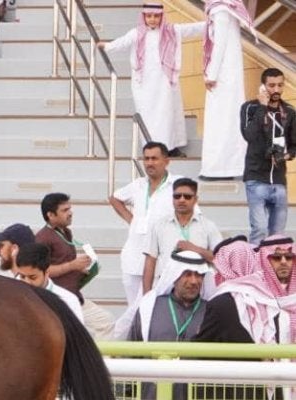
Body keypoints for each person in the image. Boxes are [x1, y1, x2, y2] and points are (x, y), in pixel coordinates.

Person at [98, 3, 204, 156]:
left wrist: (212, 23)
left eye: (156, 16)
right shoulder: (136, 33)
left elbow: (191, 29)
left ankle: (169, 148)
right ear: (144, 17)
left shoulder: (171, 31)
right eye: (149, 16)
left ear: (161, 16)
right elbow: (122, 42)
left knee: (167, 115)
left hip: (165, 83)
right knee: (148, 116)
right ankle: (151, 147)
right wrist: (107, 46)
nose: (152, 19)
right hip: (144, 84)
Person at [128, 250, 210, 400]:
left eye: (198, 275)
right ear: (174, 275)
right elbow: (131, 355)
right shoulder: (149, 308)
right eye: (187, 274)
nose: (194, 281)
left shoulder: (210, 312)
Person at [35, 192, 115, 339]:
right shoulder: (42, 238)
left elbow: (62, 262)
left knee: (104, 322)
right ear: (50, 215)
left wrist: (82, 270)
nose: (70, 213)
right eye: (65, 210)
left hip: (73, 297)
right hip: (58, 302)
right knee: (101, 324)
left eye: (70, 209)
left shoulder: (65, 232)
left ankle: (95, 355)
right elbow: (41, 270)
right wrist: (72, 266)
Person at [109, 142, 181, 304]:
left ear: (166, 161)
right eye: (146, 159)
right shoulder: (138, 184)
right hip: (133, 259)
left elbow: (191, 214)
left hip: (163, 263)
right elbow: (114, 198)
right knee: (134, 311)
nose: (149, 163)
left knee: (159, 309)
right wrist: (131, 219)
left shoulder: (177, 185)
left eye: (154, 158)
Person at [196, 235, 296, 345]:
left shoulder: (221, 303)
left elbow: (201, 345)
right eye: (276, 258)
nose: (283, 262)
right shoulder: (268, 299)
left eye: (289, 257)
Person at [199, 0, 253, 180]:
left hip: (222, 76)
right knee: (226, 121)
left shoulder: (221, 11)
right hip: (227, 75)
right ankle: (227, 168)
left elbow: (219, 45)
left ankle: (219, 169)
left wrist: (212, 74)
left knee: (220, 122)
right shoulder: (225, 9)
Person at [240, 68, 296, 244]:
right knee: (259, 229)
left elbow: (294, 145)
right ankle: (255, 261)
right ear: (263, 86)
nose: (276, 90)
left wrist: (285, 156)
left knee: (277, 236)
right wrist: (263, 107)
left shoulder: (289, 111)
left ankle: (271, 263)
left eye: (280, 85)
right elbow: (249, 135)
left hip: (279, 180)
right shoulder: (250, 108)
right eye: (272, 85)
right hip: (256, 177)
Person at [142, 178, 222, 293]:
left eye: (187, 196)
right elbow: (150, 261)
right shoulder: (159, 225)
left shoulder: (208, 226)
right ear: (172, 199)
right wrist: (146, 295)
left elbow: (220, 259)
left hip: (198, 288)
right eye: (177, 196)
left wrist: (194, 249)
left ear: (195, 200)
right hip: (167, 289)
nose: (182, 200)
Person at [15, 243, 84, 323]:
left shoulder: (68, 301)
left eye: (33, 277)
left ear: (47, 272)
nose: (27, 282)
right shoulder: (11, 292)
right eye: (22, 276)